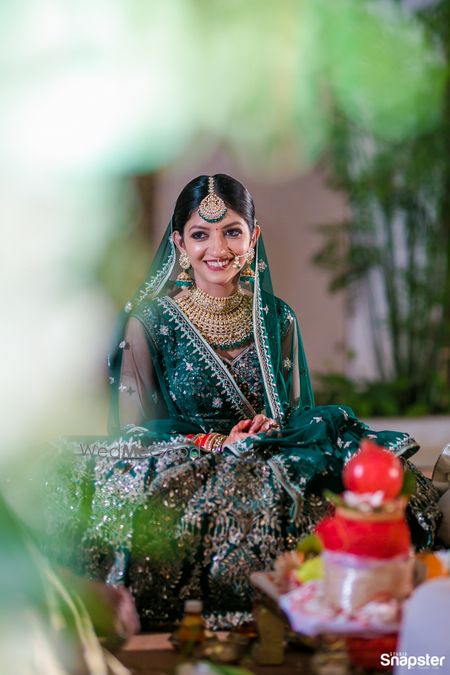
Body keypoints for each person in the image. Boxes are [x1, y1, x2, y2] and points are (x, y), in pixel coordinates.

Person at [44, 174, 441, 631]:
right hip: (188, 464)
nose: (218, 248)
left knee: (354, 472)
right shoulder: (150, 324)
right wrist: (213, 441)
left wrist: (270, 433)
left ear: (253, 238)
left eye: (232, 231)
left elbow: (298, 416)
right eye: (200, 234)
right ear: (179, 242)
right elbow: (134, 435)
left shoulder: (279, 318)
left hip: (271, 459)